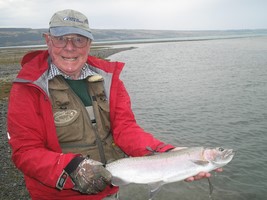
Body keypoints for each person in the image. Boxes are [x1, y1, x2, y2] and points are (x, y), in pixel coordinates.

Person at [7, 9, 220, 200]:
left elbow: (125, 129)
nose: (70, 47)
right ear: (48, 40)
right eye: (61, 39)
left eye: (79, 40)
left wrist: (169, 152)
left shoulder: (109, 78)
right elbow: (24, 151)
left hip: (109, 189)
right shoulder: (28, 87)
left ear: (89, 43)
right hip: (58, 195)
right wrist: (73, 168)